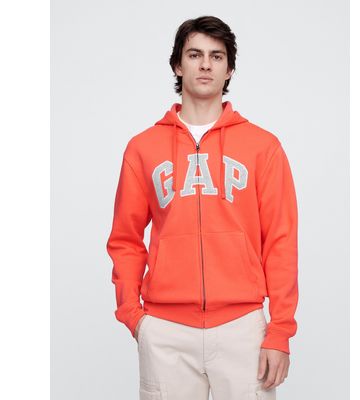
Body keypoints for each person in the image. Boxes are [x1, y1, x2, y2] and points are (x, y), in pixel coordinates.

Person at [106, 15, 299, 400]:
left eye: (217, 56)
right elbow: (125, 239)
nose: (206, 64)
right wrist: (134, 315)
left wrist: (279, 330)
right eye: (195, 55)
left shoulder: (263, 147)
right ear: (178, 65)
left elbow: (281, 241)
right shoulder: (143, 148)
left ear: (229, 70)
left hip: (242, 328)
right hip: (166, 331)